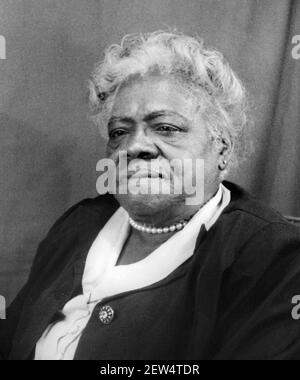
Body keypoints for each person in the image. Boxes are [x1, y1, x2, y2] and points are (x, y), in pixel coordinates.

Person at [1, 31, 300, 360]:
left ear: (222, 149)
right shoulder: (79, 224)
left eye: (166, 127)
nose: (134, 146)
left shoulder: (275, 258)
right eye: (119, 132)